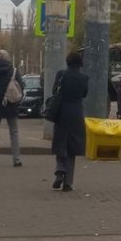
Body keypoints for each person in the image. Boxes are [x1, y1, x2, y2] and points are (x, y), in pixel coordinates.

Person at [51, 51, 89, 192]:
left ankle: (60, 171)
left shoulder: (61, 75)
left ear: (67, 62)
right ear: (80, 63)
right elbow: (84, 94)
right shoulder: (84, 78)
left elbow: (54, 91)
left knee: (60, 143)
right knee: (72, 148)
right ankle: (68, 182)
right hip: (76, 113)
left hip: (61, 113)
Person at [0, 49, 24, 167]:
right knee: (14, 132)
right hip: (11, 105)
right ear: (8, 58)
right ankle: (16, 159)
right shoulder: (13, 71)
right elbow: (21, 87)